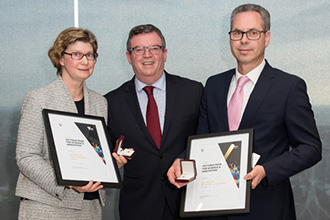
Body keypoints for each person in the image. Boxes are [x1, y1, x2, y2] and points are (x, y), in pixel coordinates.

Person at [167, 4, 322, 220]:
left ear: (266, 37)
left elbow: (311, 148)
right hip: (214, 209)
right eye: (237, 33)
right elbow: (202, 141)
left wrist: (266, 170)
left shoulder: (289, 87)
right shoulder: (213, 85)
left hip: (267, 207)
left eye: (253, 33)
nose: (244, 40)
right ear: (230, 37)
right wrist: (181, 161)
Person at [105, 24, 203, 220]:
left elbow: (205, 138)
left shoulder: (194, 92)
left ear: (164, 53)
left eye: (154, 48)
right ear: (129, 57)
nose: (147, 55)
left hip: (189, 203)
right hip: (138, 208)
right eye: (139, 49)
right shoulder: (111, 102)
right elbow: (104, 156)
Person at [15, 27, 107, 220]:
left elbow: (92, 153)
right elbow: (26, 156)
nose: (85, 61)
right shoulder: (38, 99)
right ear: (60, 59)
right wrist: (69, 182)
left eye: (90, 55)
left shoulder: (100, 102)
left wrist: (111, 163)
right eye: (77, 54)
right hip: (46, 207)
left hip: (90, 208)